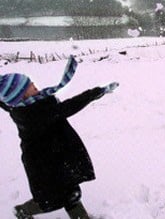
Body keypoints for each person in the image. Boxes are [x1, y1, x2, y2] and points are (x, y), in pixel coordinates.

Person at [0, 56, 119, 219]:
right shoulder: (33, 114)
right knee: (52, 198)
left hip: (56, 155)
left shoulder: (25, 106)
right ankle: (23, 211)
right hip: (44, 164)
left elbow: (6, 103)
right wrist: (96, 93)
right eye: (30, 86)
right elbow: (67, 107)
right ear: (21, 97)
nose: (35, 86)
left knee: (70, 190)